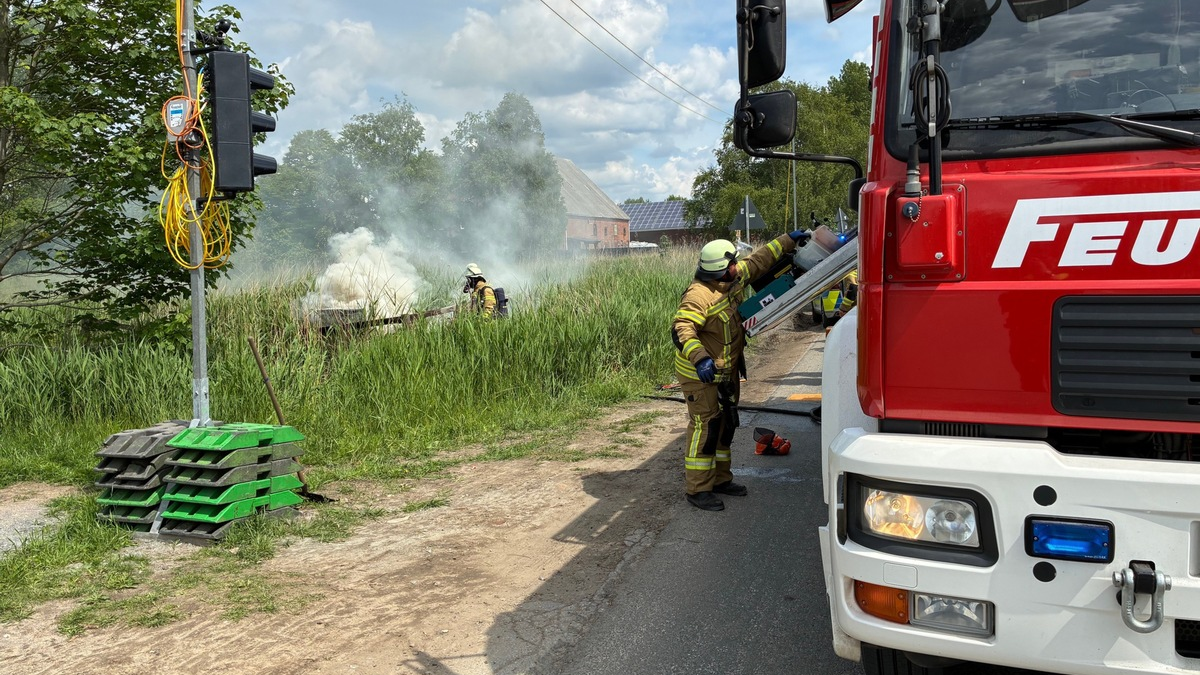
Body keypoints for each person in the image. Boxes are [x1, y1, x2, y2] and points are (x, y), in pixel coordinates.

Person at [671, 229, 811, 511]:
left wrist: (788, 240)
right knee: (706, 428)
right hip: (701, 375)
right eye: (732, 262)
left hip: (726, 371)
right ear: (721, 270)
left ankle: (721, 480)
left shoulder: (733, 280)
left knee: (726, 427)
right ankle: (697, 490)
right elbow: (682, 329)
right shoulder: (699, 295)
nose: (738, 265)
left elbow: (759, 260)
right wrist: (700, 359)